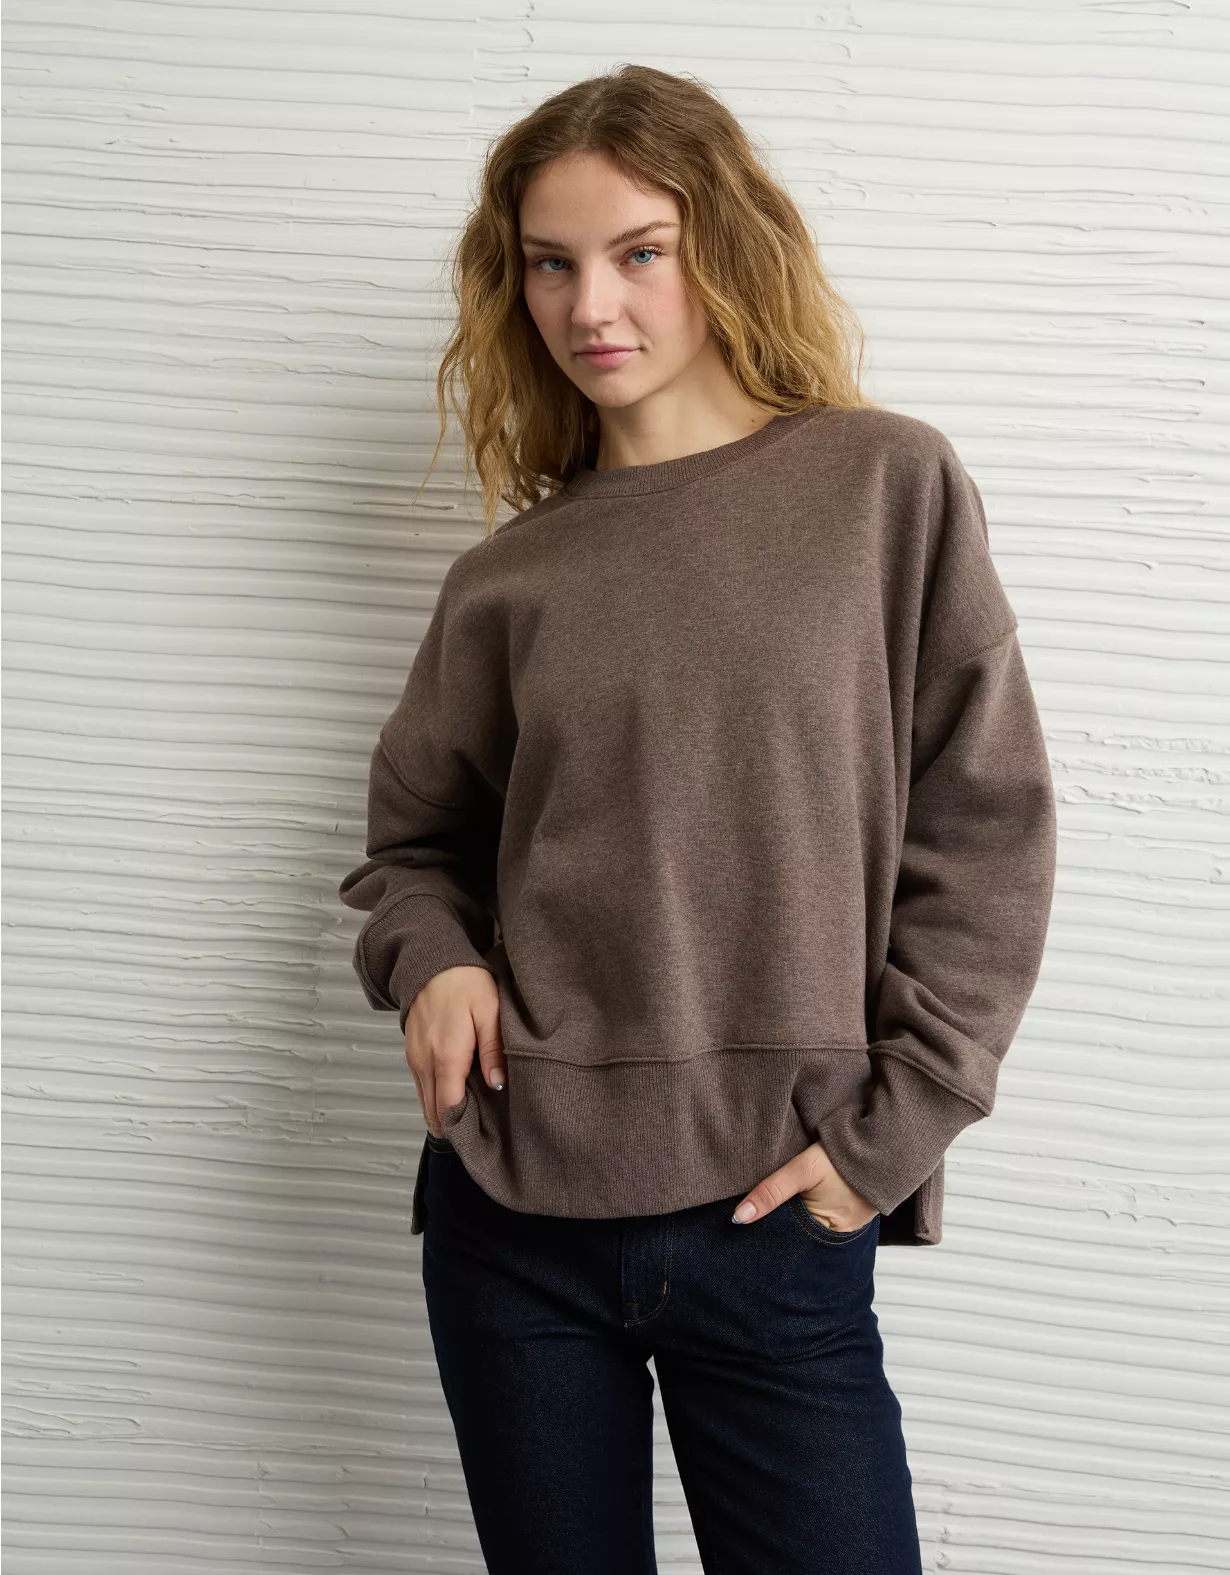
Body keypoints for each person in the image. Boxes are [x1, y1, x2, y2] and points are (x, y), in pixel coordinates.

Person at [338, 63, 1056, 1575]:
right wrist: (436, 962)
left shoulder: (883, 487)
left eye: (638, 251)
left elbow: (985, 829)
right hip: (513, 1209)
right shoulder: (507, 581)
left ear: (721, 244)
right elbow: (413, 849)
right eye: (550, 263)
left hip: (779, 1210)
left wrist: (891, 1134)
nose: (590, 304)